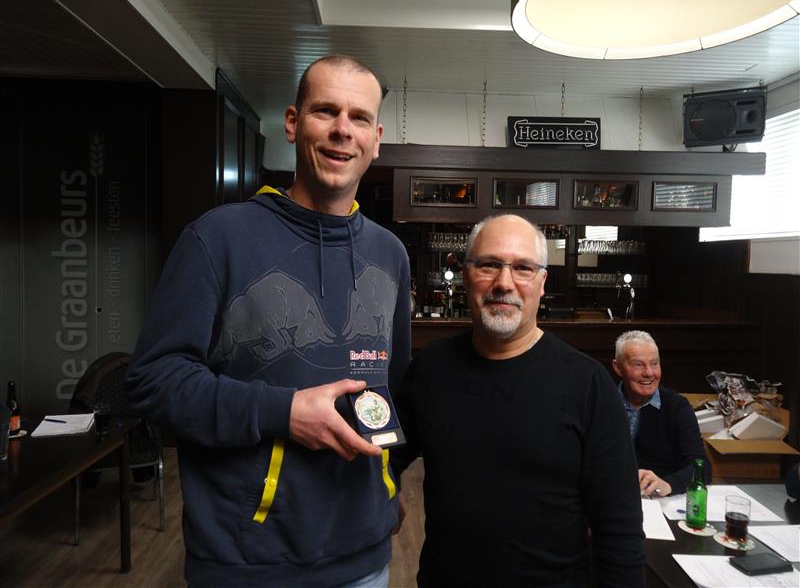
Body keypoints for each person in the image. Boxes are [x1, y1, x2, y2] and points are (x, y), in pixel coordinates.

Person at [125, 55, 410, 587]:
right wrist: (284, 412)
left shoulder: (390, 253)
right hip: (249, 559)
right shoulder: (217, 238)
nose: (342, 130)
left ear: (376, 139)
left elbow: (390, 388)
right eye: (325, 111)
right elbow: (152, 380)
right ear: (293, 123)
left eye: (359, 118)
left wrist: (386, 491)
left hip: (365, 557)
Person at [391, 214, 645, 587]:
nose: (504, 283)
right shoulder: (430, 368)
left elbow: (620, 527)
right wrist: (387, 486)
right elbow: (387, 453)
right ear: (465, 275)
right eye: (489, 265)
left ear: (542, 283)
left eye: (523, 268)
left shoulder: (588, 384)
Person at [612, 330, 711, 497]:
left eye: (654, 363)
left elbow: (702, 468)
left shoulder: (677, 406)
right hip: (610, 496)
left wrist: (668, 484)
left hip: (659, 500)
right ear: (618, 367)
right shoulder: (601, 403)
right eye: (638, 364)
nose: (649, 373)